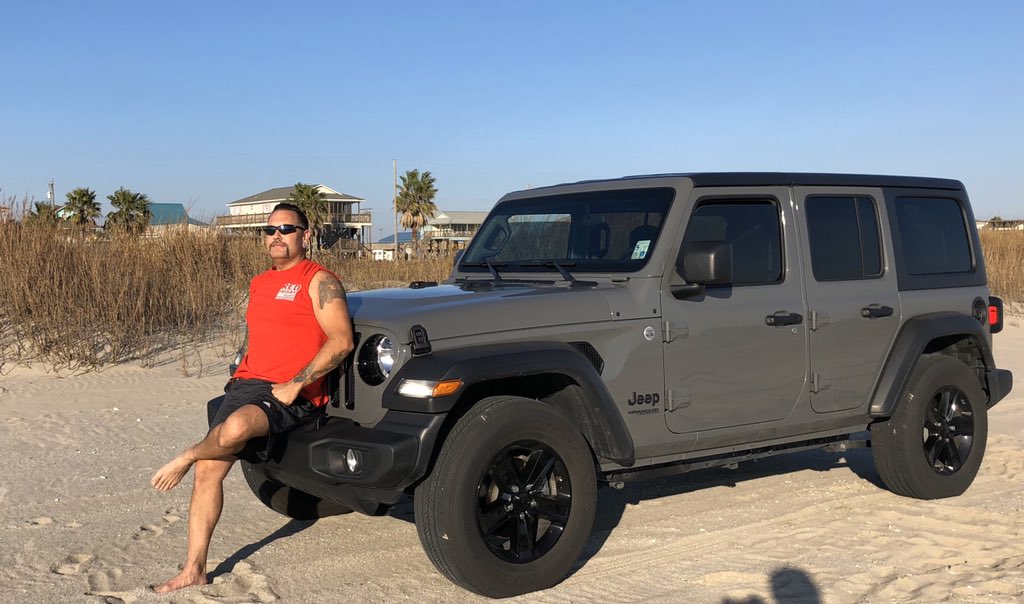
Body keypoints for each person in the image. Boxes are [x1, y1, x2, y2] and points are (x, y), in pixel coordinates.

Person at [150, 202, 354, 593]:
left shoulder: (320, 280)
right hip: (247, 385)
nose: (276, 236)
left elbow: (342, 341)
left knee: (235, 429)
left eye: (286, 229)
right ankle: (194, 568)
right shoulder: (259, 282)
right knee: (210, 473)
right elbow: (258, 336)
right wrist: (239, 364)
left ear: (305, 236)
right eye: (269, 229)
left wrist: (297, 383)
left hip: (292, 392)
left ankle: (187, 455)